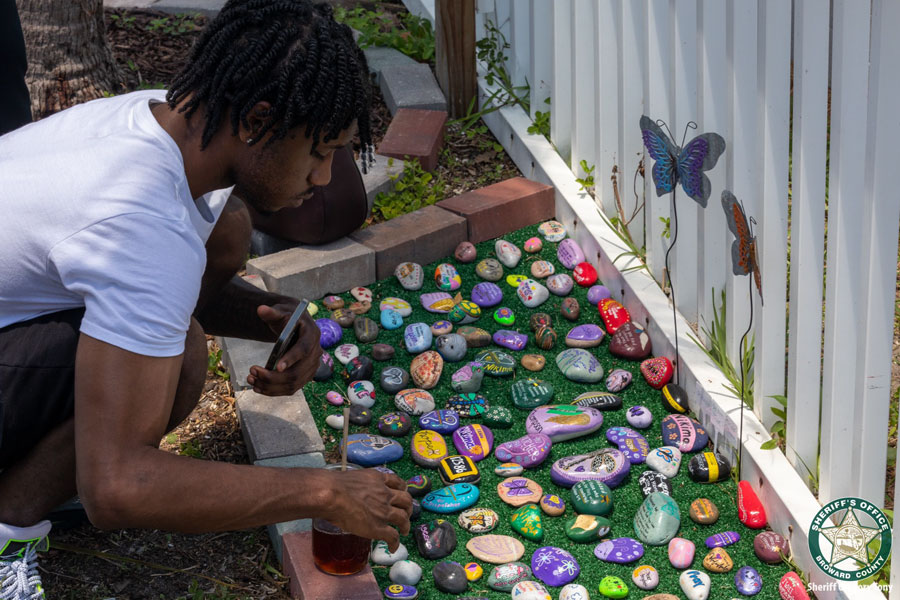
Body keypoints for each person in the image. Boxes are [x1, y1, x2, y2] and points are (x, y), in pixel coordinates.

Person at [0, 1, 412, 597]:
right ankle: (8, 529)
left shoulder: (159, 116)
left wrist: (271, 321)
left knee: (225, 233)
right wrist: (324, 490)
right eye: (319, 152)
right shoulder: (141, 221)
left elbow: (167, 277)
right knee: (183, 353)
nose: (324, 179)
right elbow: (118, 487)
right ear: (258, 120)